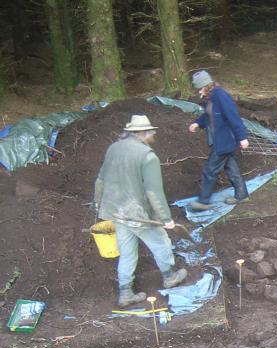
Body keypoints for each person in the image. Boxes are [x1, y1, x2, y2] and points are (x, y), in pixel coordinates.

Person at [94, 115, 188, 307]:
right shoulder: (147, 156)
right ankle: (170, 277)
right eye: (151, 132)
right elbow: (153, 191)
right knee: (161, 242)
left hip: (116, 210)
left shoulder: (114, 148)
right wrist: (166, 218)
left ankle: (126, 292)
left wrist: (98, 204)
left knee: (127, 252)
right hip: (137, 213)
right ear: (143, 133)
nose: (153, 135)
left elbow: (100, 179)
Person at [188, 70, 250, 210]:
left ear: (206, 85)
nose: (199, 92)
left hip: (224, 140)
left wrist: (242, 137)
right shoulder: (211, 97)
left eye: (200, 89)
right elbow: (209, 116)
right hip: (220, 140)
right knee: (230, 167)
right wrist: (197, 123)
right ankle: (242, 194)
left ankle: (203, 202)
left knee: (210, 170)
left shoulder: (221, 95)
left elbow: (233, 116)